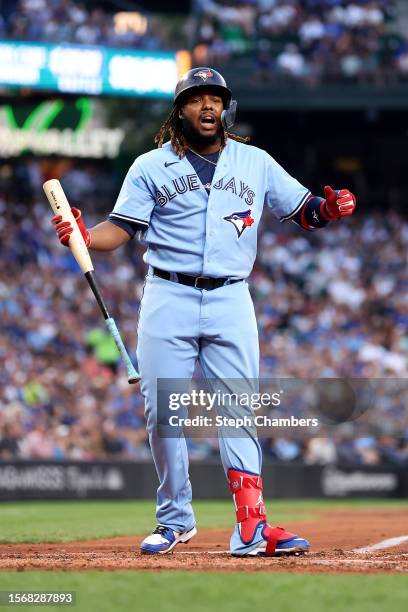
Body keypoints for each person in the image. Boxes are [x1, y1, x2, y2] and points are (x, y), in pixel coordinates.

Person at [52, 67, 356, 557]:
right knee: (162, 412)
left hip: (231, 296)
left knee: (239, 409)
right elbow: (119, 230)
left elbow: (305, 211)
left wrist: (332, 208)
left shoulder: (254, 162)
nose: (208, 106)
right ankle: (174, 520)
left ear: (226, 108)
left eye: (216, 98)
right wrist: (85, 237)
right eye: (197, 99)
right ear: (181, 110)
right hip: (168, 295)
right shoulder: (150, 166)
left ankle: (252, 528)